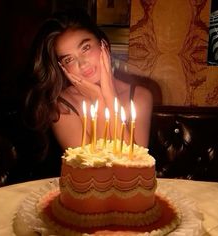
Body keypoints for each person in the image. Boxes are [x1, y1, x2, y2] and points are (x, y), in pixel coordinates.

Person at [24, 8, 153, 152]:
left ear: (103, 44)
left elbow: (135, 166)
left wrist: (109, 95)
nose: (82, 64)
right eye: (69, 59)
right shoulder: (62, 108)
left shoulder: (140, 96)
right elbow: (95, 170)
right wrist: (98, 98)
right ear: (63, 68)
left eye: (85, 48)